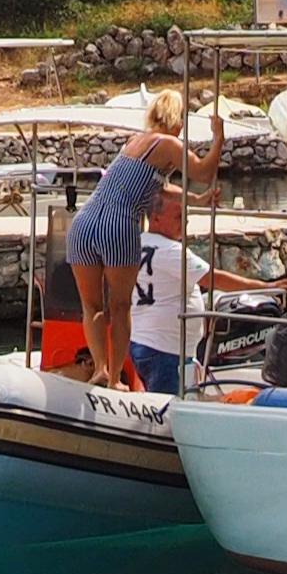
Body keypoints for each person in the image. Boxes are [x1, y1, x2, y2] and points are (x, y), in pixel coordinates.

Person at [63, 95, 189, 384]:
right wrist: (218, 140)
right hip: (117, 226)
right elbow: (203, 171)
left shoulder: (134, 143)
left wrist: (196, 198)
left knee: (91, 306)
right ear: (178, 121)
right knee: (120, 306)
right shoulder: (170, 145)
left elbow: (160, 188)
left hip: (83, 223)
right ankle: (115, 379)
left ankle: (99, 369)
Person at [129, 179, 271, 394]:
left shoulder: (138, 243)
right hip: (166, 349)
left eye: (186, 216)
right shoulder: (171, 250)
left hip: (145, 341)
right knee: (169, 407)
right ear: (156, 218)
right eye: (178, 217)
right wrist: (264, 287)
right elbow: (214, 279)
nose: (184, 222)